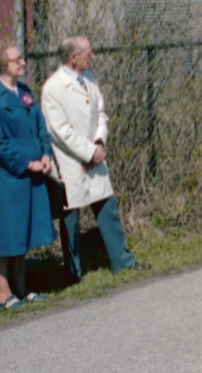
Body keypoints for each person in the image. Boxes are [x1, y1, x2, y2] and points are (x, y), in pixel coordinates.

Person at [42, 36, 148, 286]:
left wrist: (99, 143)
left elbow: (100, 113)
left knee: (107, 209)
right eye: (89, 53)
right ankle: (73, 274)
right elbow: (59, 130)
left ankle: (122, 260)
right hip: (70, 161)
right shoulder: (53, 88)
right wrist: (88, 152)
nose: (93, 57)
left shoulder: (89, 79)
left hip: (95, 157)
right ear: (73, 57)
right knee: (70, 219)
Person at [0, 43, 56, 310]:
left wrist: (45, 154)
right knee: (4, 232)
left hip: (33, 171)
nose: (23, 63)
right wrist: (26, 163)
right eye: (17, 60)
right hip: (8, 175)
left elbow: (41, 128)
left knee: (22, 229)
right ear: (2, 64)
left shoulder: (25, 92)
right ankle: (2, 293)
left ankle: (21, 288)